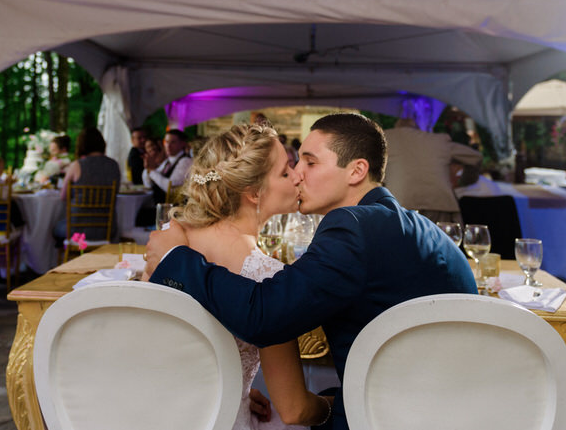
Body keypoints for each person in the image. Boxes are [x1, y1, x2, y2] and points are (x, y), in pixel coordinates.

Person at [144, 113, 477, 430]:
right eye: (292, 165)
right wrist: (232, 391)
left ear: (356, 171)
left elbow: (265, 313)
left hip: (396, 415)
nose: (298, 173)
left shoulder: (352, 227)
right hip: (457, 405)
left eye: (310, 162)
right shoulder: (410, 225)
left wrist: (176, 257)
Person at [150, 123, 330, 429]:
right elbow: (295, 410)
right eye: (286, 171)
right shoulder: (269, 278)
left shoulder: (166, 245)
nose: (298, 175)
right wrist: (335, 406)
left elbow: (164, 357)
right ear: (253, 193)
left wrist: (235, 390)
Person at [382, 118, 482, 222]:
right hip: (440, 203)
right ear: (417, 129)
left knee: (400, 238)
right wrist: (466, 180)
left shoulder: (385, 139)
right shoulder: (438, 140)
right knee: (442, 236)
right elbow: (475, 157)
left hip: (399, 203)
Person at [53, 128, 121, 242]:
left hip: (77, 230)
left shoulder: (77, 165)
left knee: (55, 229)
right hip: (107, 230)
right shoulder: (114, 165)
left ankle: (71, 255)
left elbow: (63, 196)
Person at [143, 129, 192, 204]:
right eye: (166, 142)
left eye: (173, 142)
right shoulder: (168, 161)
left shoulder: (185, 161)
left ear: (182, 143)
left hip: (172, 208)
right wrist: (148, 169)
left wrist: (152, 171)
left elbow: (170, 188)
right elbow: (148, 184)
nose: (168, 146)